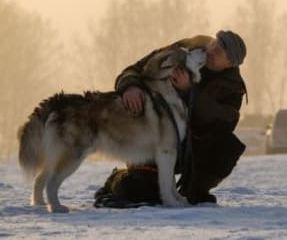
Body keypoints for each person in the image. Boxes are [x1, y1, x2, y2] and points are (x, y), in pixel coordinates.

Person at [94, 30, 247, 207]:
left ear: (229, 64)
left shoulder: (233, 87)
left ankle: (195, 190)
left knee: (228, 145)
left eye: (219, 52)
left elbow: (224, 123)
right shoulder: (185, 49)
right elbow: (136, 69)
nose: (210, 51)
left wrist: (191, 91)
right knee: (142, 192)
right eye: (214, 44)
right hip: (154, 137)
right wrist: (130, 86)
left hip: (191, 147)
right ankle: (116, 179)